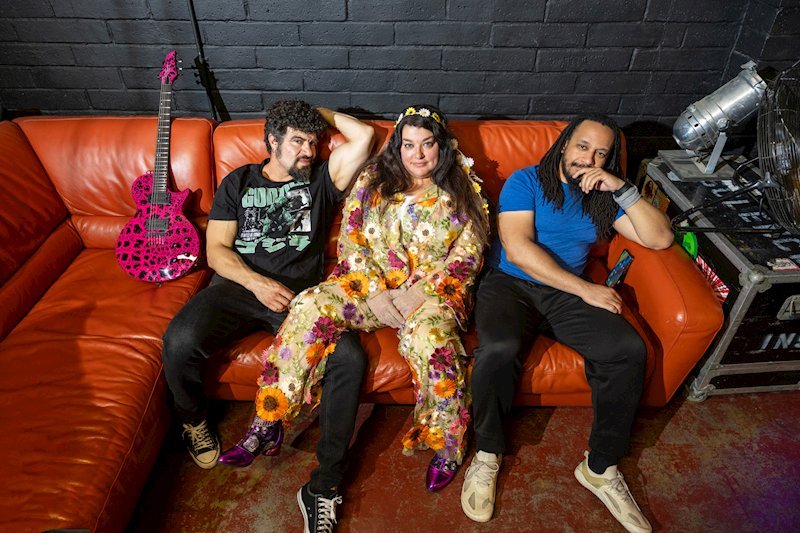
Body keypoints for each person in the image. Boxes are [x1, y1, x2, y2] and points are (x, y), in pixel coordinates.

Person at [219, 104, 489, 531]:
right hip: (369, 287)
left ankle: (448, 443)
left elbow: (469, 255)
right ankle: (270, 419)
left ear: (442, 146)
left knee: (431, 343)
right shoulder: (372, 180)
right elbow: (351, 240)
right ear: (397, 147)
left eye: (427, 144)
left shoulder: (463, 188)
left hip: (431, 295)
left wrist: (420, 294)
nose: (418, 154)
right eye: (408, 145)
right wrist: (376, 293)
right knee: (309, 304)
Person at [460, 115, 674, 532]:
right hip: (512, 284)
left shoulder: (601, 194)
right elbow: (518, 249)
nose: (589, 159)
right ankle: (487, 453)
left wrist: (622, 188)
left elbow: (660, 238)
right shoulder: (526, 181)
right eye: (583, 147)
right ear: (564, 145)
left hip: (566, 293)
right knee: (498, 351)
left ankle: (600, 467)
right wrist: (585, 290)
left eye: (601, 153)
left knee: (627, 350)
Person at [162, 100, 374, 484]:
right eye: (297, 141)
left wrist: (317, 113)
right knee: (179, 340)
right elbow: (216, 251)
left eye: (313, 142)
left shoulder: (321, 179)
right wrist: (257, 283)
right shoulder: (238, 182)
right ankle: (193, 421)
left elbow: (365, 136)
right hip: (239, 285)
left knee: (348, 357)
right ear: (272, 141)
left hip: (300, 298)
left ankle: (329, 471)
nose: (309, 151)